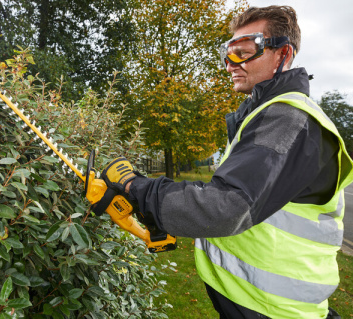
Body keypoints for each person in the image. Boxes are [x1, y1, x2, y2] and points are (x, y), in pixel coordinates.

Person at [99, 5, 353, 319]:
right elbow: (238, 195)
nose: (230, 64)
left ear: (283, 54)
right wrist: (162, 212)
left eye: (244, 52)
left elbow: (226, 206)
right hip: (261, 304)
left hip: (275, 310)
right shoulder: (263, 116)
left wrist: (134, 185)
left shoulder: (287, 119)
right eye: (227, 53)